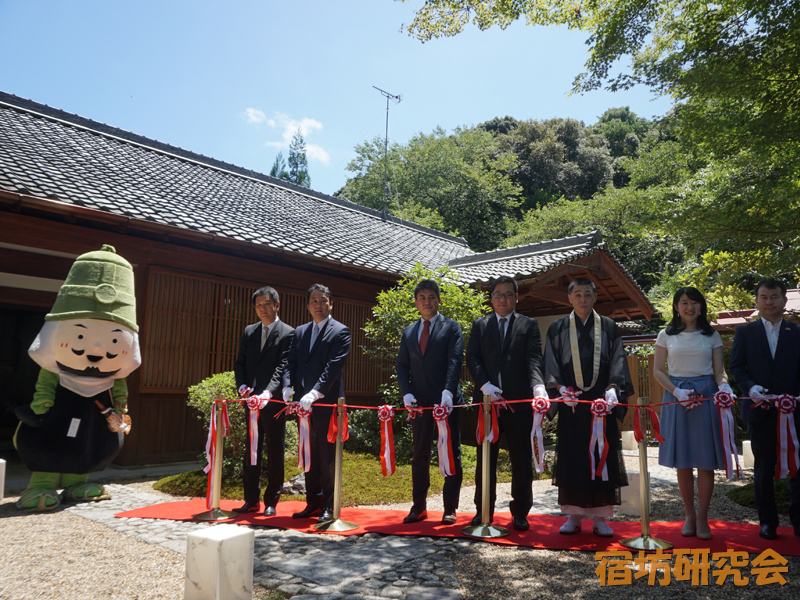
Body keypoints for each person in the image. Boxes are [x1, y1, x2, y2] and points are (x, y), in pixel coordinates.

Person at [543, 277, 632, 537]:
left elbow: (617, 360)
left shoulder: (608, 327)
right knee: (573, 457)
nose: (583, 299)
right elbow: (551, 363)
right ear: (569, 298)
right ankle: (573, 514)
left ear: (595, 297)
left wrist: (614, 389)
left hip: (601, 401)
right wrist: (559, 389)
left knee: (603, 454)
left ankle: (601, 517)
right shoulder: (559, 327)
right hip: (571, 401)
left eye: (587, 294)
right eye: (578, 294)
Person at [466, 276, 546, 531]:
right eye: (498, 294)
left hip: (518, 404)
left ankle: (520, 512)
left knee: (520, 460)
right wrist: (484, 385)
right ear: (491, 298)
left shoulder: (528, 325)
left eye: (508, 294)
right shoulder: (480, 325)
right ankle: (483, 509)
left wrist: (538, 385)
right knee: (485, 459)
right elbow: (473, 358)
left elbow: (534, 358)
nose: (503, 299)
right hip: (488, 404)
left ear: (516, 297)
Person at [653, 287, 732, 540]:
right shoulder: (666, 334)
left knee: (706, 461)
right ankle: (688, 514)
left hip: (706, 396)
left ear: (701, 306)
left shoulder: (712, 335)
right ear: (676, 307)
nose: (690, 307)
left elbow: (719, 371)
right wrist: (677, 392)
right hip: (676, 396)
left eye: (695, 302)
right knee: (683, 461)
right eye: (684, 302)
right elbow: (658, 371)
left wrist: (724, 386)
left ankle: (703, 517)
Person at [731, 278, 800, 540]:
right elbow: (737, 368)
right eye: (763, 297)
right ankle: (767, 522)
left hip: (794, 411)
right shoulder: (744, 333)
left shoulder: (797, 332)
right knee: (762, 468)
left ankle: (798, 520)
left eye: (774, 296)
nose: (769, 302)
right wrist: (750, 389)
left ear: (784, 300)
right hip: (759, 410)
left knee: (798, 466)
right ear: (757, 301)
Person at [397, 279, 464, 525]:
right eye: (422, 297)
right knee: (419, 454)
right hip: (419, 404)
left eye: (431, 297)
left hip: (447, 402)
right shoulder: (409, 331)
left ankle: (450, 508)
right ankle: (418, 507)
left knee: (450, 453)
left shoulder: (452, 327)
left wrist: (448, 392)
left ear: (438, 300)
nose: (427, 301)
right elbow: (402, 366)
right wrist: (406, 393)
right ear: (416, 302)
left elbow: (455, 362)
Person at [282, 284, 351, 523]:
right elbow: (290, 362)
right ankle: (312, 501)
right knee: (308, 452)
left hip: (326, 403)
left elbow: (333, 367)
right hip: (302, 404)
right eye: (314, 301)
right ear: (308, 305)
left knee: (327, 455)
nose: (318, 305)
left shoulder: (340, 331)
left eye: (323, 301)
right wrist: (288, 387)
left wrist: (315, 393)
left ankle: (328, 506)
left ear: (331, 303)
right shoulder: (300, 332)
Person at [232, 286, 295, 516]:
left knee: (274, 450)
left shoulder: (288, 333)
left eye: (267, 304)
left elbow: (283, 366)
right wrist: (242, 385)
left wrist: (268, 392)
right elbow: (241, 362)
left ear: (277, 305)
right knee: (251, 450)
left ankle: (272, 500)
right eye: (258, 305)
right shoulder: (249, 331)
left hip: (273, 401)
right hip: (251, 401)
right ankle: (251, 499)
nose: (262, 308)